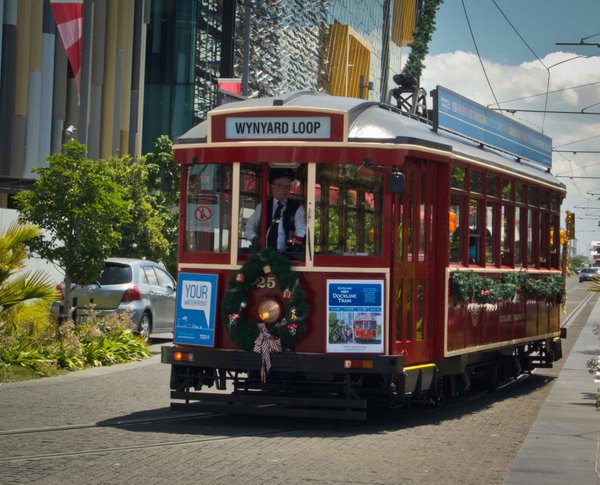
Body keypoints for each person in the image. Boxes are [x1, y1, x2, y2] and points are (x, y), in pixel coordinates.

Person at [244, 168, 306, 254]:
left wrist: (298, 238)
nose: (284, 190)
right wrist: (255, 239)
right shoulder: (263, 206)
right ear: (272, 186)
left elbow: (301, 228)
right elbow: (249, 227)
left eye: (287, 186)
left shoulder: (297, 207)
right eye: (281, 185)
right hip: (264, 256)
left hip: (287, 257)